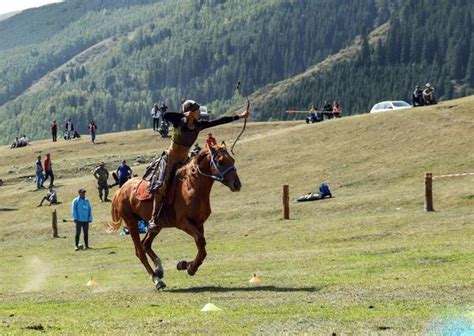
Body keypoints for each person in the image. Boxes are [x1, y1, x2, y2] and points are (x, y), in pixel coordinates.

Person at [146, 99, 249, 232]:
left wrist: (239, 116)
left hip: (184, 160)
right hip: (170, 158)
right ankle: (154, 218)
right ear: (191, 113)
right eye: (197, 111)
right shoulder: (178, 122)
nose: (200, 113)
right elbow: (166, 116)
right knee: (161, 185)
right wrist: (183, 114)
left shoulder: (199, 125)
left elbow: (218, 121)